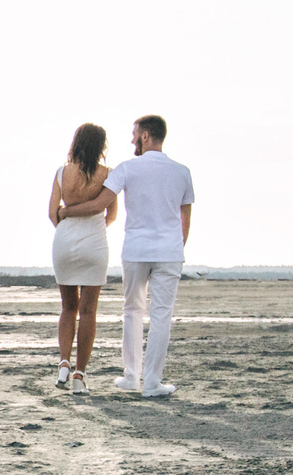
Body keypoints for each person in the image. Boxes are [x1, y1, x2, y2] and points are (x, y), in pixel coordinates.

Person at [58, 114, 193, 396]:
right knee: (161, 316)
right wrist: (177, 248)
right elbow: (185, 217)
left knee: (132, 311)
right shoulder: (182, 171)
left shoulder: (127, 169)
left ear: (145, 136)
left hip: (135, 250)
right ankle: (153, 383)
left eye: (135, 135)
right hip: (169, 251)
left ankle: (132, 376)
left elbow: (100, 203)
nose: (132, 140)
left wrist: (66, 212)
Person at [45, 123, 113, 396]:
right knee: (88, 310)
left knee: (67, 307)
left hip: (64, 243)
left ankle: (63, 362)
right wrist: (92, 231)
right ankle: (79, 376)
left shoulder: (62, 173)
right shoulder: (107, 175)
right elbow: (111, 215)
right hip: (94, 244)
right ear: (101, 146)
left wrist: (67, 223)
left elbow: (53, 213)